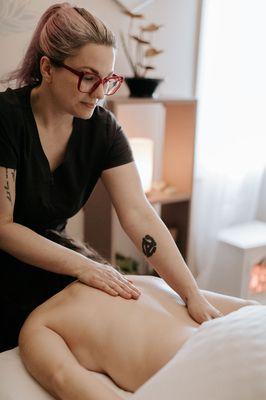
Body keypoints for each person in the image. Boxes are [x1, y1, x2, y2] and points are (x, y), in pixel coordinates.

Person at [0, 2, 221, 353]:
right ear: (48, 68)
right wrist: (85, 267)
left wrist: (191, 294)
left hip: (53, 259)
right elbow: (4, 227)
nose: (100, 93)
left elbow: (139, 213)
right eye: (88, 77)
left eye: (108, 80)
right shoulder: (7, 119)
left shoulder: (102, 129)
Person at [18, 274, 260, 399]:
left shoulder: (39, 324)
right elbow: (248, 308)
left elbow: (64, 380)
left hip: (200, 362)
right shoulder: (134, 280)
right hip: (247, 333)